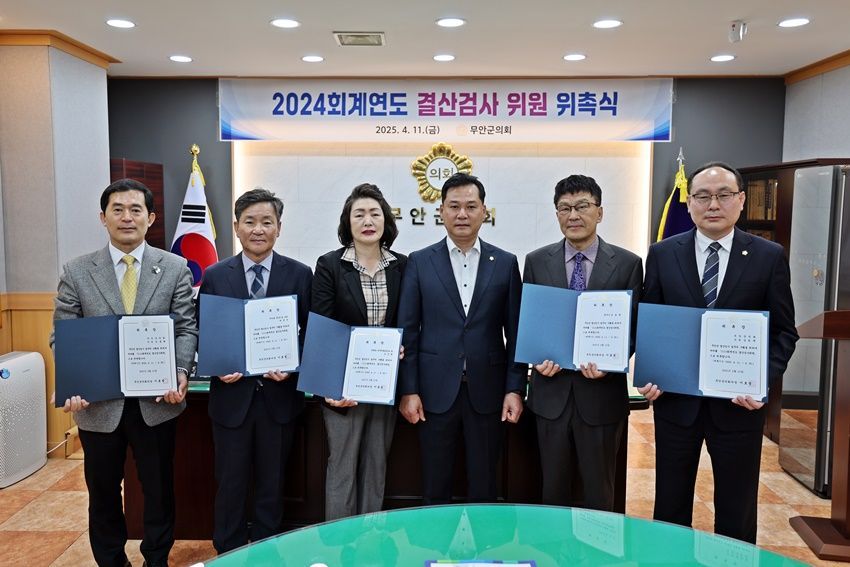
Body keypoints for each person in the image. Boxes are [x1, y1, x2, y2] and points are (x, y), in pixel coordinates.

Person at [638, 162, 798, 543]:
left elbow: (784, 332)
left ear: (741, 200)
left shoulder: (768, 256)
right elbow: (651, 322)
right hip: (676, 404)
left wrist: (760, 382)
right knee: (670, 506)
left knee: (736, 509)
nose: (713, 204)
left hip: (738, 406)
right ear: (689, 202)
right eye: (702, 196)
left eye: (723, 195)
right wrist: (649, 373)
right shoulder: (662, 253)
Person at [51, 179, 197, 567]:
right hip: (99, 405)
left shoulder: (175, 267)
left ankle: (156, 559)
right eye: (117, 209)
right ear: (103, 218)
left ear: (151, 218)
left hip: (157, 402)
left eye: (136, 210)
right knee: (102, 493)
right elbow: (63, 334)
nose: (126, 217)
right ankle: (112, 561)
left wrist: (180, 370)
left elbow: (186, 328)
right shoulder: (77, 271)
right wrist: (73, 381)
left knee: (159, 490)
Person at [397, 172, 524, 505]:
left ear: (484, 211)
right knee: (434, 484)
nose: (462, 214)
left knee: (484, 484)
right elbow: (408, 332)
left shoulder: (505, 263)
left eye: (471, 206)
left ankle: (483, 541)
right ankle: (436, 540)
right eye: (454, 206)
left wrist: (514, 388)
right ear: (441, 211)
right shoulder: (420, 262)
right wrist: (409, 390)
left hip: (488, 392)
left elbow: (515, 333)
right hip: (434, 392)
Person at [198, 188, 312, 553]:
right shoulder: (215, 275)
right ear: (236, 227)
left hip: (279, 398)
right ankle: (227, 552)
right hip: (231, 398)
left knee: (272, 484)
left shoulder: (300, 274)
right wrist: (218, 366)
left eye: (266, 222)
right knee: (230, 482)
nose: (258, 229)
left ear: (279, 227)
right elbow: (204, 331)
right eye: (250, 222)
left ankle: (265, 552)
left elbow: (309, 333)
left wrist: (292, 367)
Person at [524, 174, 643, 511]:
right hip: (551, 395)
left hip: (601, 397)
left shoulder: (628, 264)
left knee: (599, 492)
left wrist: (612, 362)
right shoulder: (536, 261)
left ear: (599, 212)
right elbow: (531, 320)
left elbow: (634, 327)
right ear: (557, 214)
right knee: (551, 492)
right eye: (565, 208)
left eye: (582, 206)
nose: (573, 215)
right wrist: (536, 357)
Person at [312, 183, 407, 520]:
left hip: (384, 384)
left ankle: (370, 538)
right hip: (343, 388)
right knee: (343, 467)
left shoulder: (403, 266)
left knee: (376, 465)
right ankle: (341, 541)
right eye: (359, 214)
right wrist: (328, 388)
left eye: (375, 214)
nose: (368, 221)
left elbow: (409, 321)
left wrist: (403, 346)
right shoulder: (330, 265)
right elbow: (322, 327)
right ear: (347, 222)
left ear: (386, 221)